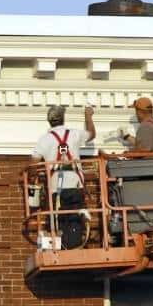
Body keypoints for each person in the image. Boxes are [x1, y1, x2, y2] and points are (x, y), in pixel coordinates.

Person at [31, 104, 96, 248]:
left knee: (57, 219)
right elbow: (91, 134)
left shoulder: (44, 139)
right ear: (63, 118)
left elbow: (33, 165)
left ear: (49, 121)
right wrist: (88, 116)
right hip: (75, 185)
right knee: (74, 218)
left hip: (55, 188)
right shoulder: (74, 134)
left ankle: (61, 247)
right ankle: (74, 246)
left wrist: (34, 177)